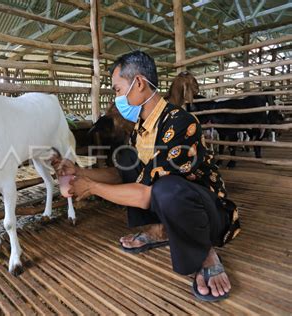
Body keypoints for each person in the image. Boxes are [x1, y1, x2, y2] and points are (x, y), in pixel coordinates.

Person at [52, 51, 241, 302]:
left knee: (167, 188)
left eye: (118, 90)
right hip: (172, 205)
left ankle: (205, 252)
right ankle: (159, 229)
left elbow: (146, 194)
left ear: (138, 83)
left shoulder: (181, 123)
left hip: (207, 213)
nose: (117, 98)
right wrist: (80, 172)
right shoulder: (140, 129)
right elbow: (124, 174)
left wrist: (91, 188)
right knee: (129, 160)